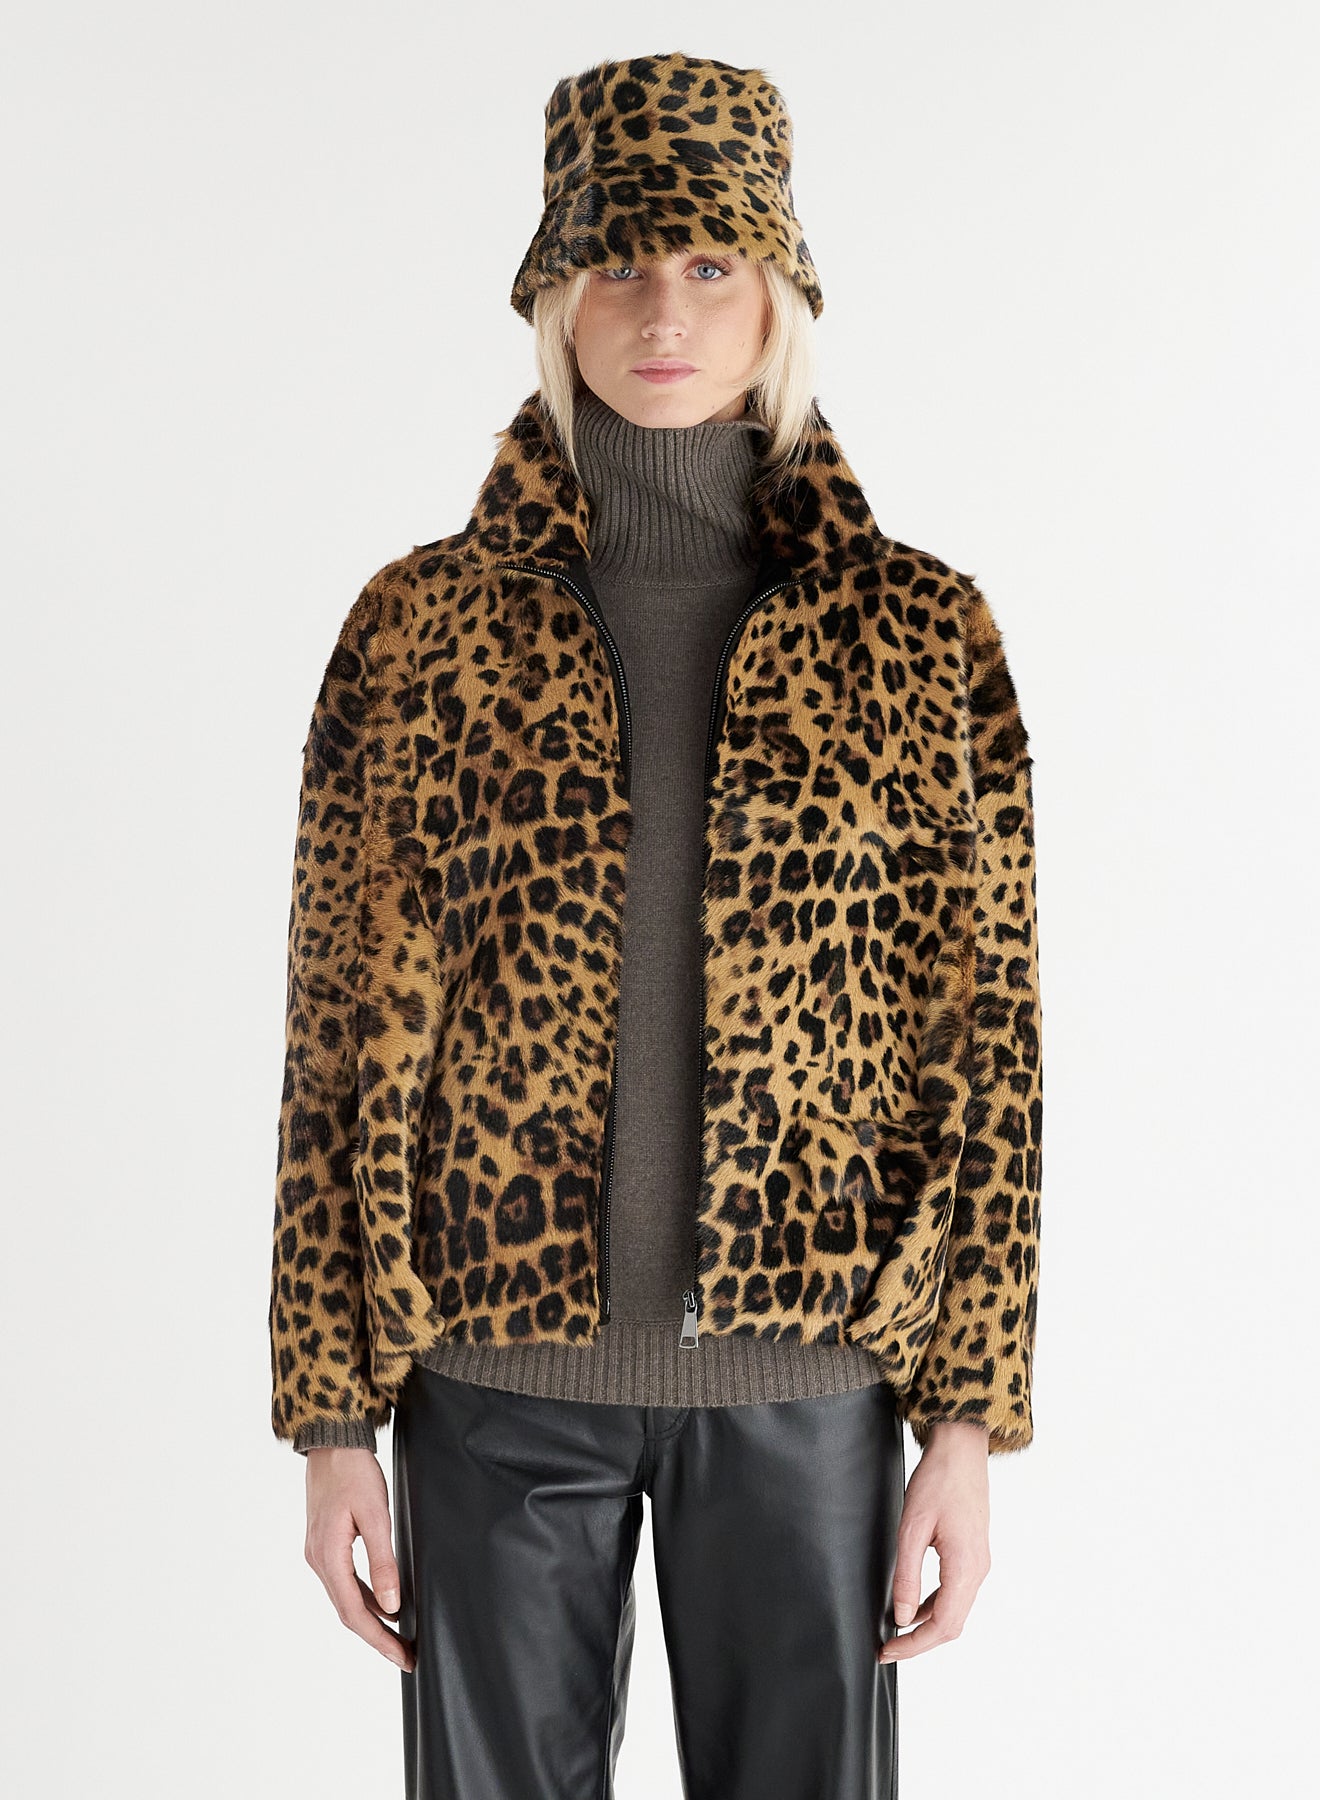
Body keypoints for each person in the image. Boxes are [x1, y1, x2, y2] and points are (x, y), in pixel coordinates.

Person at [268, 48, 1043, 1800]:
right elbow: (332, 1035)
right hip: (491, 1379)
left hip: (807, 1381)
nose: (666, 310)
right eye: (618, 261)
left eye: (711, 261)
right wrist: (329, 1421)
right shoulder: (418, 630)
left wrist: (964, 1424)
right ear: (555, 290)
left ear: (782, 291)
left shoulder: (918, 636)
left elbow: (990, 1047)